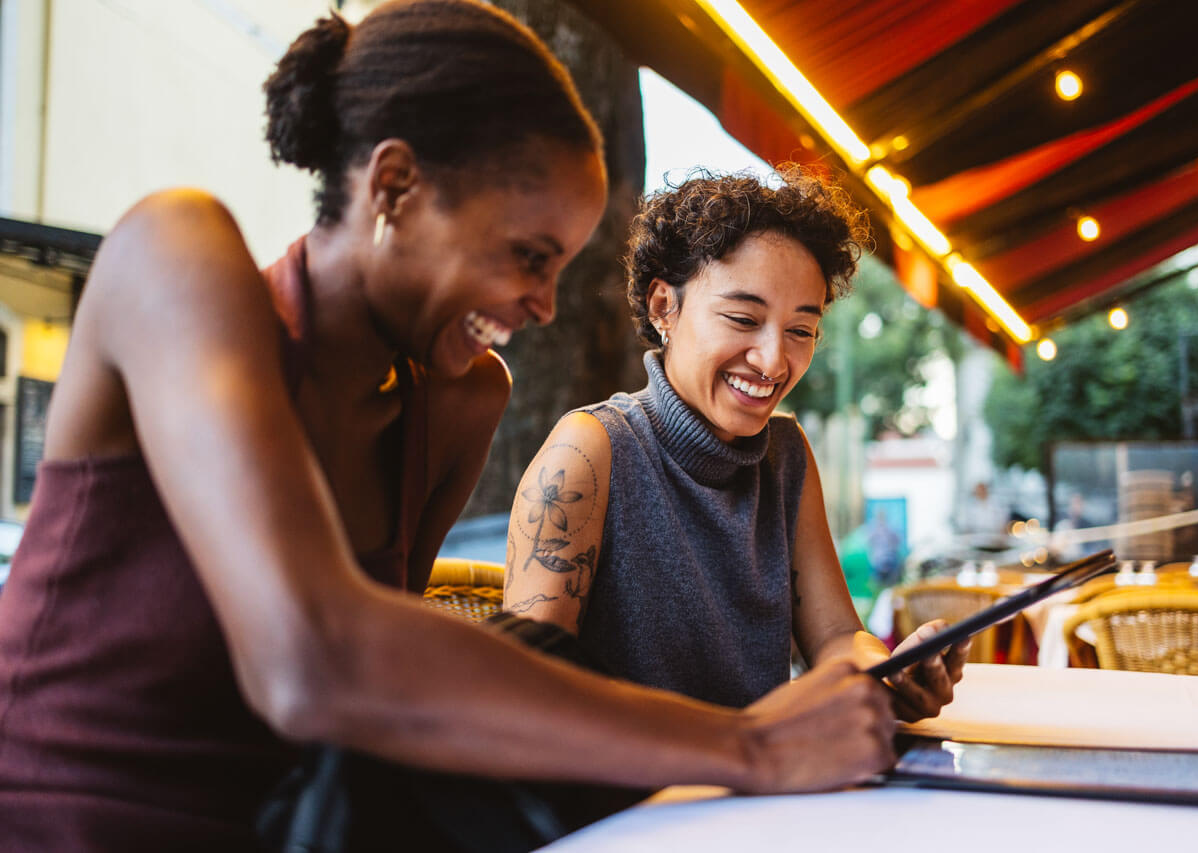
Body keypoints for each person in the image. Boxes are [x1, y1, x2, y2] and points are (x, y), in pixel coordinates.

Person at [0, 5, 899, 850]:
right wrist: (749, 745)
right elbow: (316, 662)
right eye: (528, 256)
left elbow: (396, 687)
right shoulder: (176, 252)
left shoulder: (462, 401)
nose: (544, 306)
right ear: (394, 186)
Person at [504, 170, 967, 719]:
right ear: (663, 308)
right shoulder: (591, 449)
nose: (773, 361)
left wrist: (888, 674)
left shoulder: (786, 454)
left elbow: (838, 636)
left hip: (757, 790)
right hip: (630, 797)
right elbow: (525, 694)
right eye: (743, 318)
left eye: (801, 330)